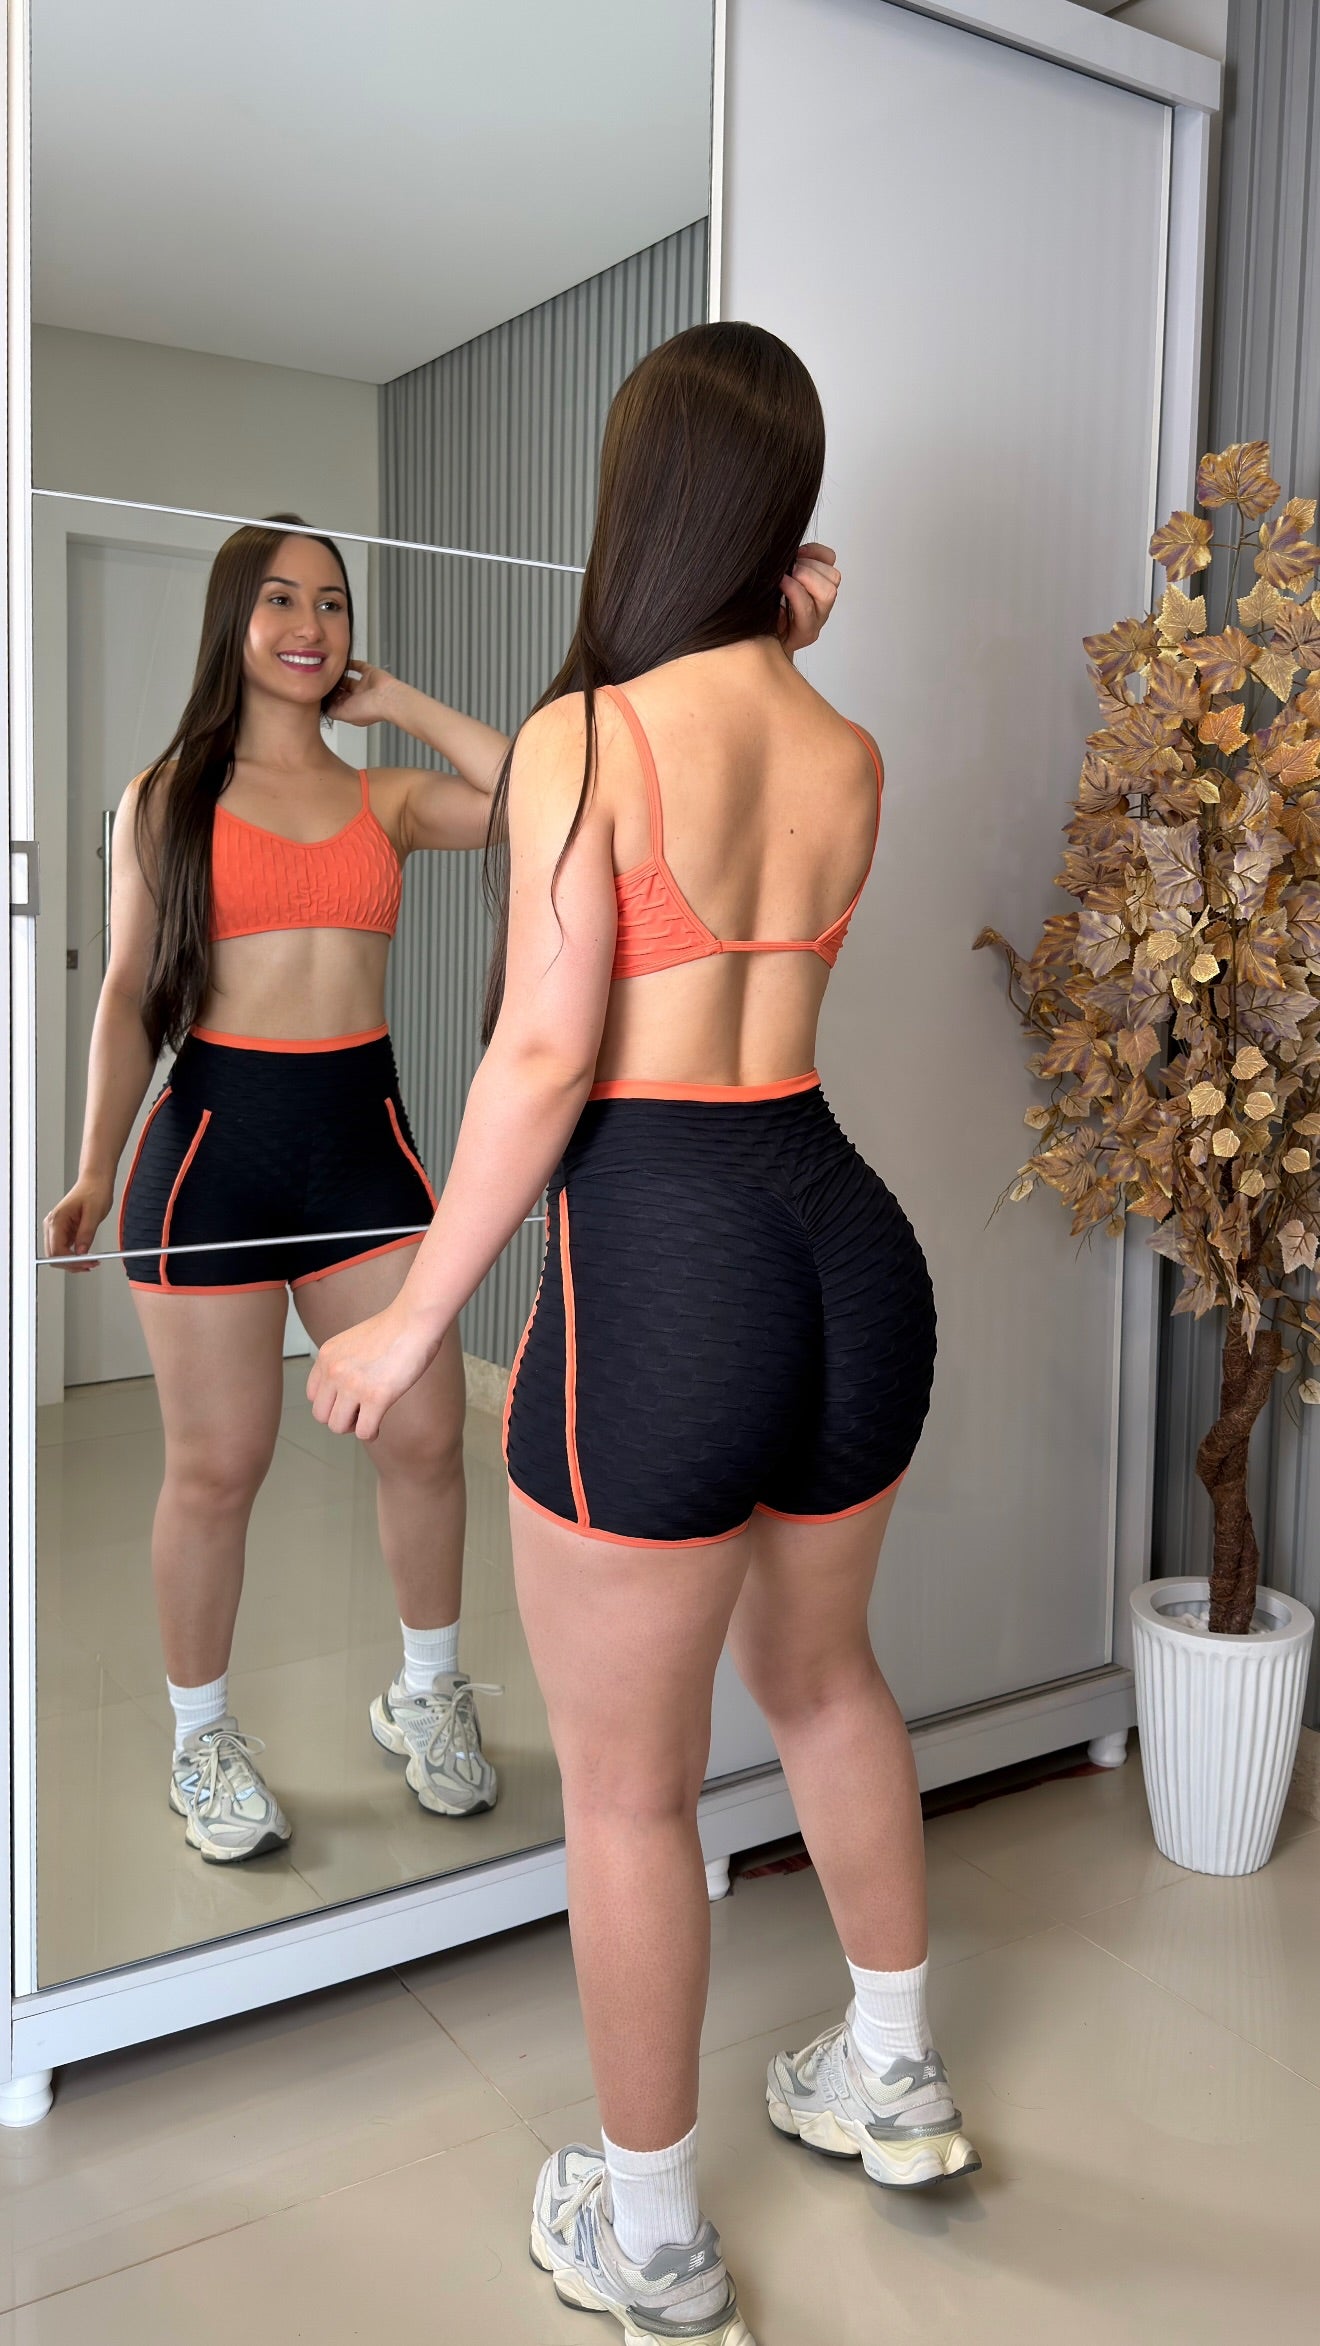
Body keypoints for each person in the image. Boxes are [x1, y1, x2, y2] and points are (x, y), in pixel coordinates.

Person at [308, 323, 975, 2346]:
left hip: (670, 1263)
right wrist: (780, 635)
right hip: (845, 1244)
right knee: (830, 1677)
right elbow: (728, 825)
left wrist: (413, 1318)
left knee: (625, 1791)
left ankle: (655, 2241)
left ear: (644, 497)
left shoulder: (590, 735)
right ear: (781, 512)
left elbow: (541, 1055)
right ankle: (893, 2072)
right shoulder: (846, 749)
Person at [44, 516, 513, 1862]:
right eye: (281, 601)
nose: (310, 626)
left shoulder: (388, 799)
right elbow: (128, 996)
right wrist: (91, 1167)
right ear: (231, 622)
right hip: (212, 1156)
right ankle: (200, 1738)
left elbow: (546, 801)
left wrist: (400, 702)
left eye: (333, 603)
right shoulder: (167, 796)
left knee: (426, 1434)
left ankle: (426, 1695)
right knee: (220, 1464)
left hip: (362, 1145)